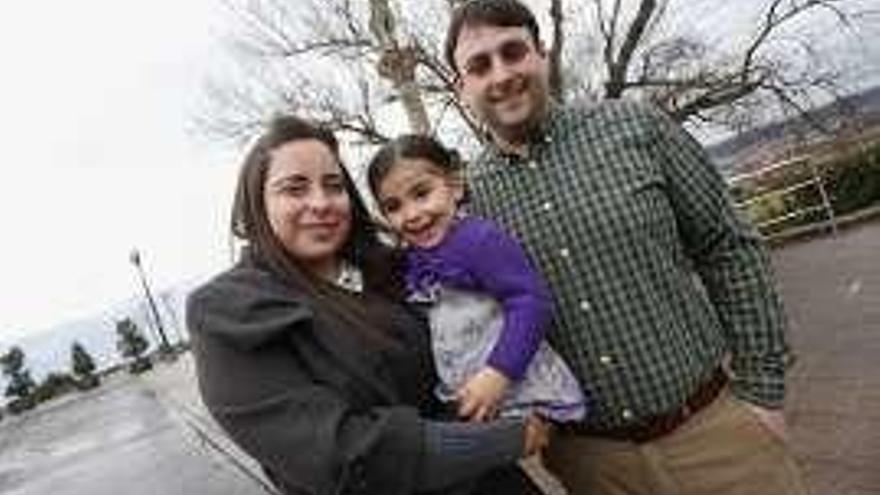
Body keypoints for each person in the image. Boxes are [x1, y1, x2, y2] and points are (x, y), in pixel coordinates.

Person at [443, 1, 807, 494]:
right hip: (591, 465)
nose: (501, 74)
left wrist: (762, 392)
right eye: (479, 65)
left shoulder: (636, 128)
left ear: (542, 55)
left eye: (513, 52)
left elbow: (729, 246)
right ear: (460, 86)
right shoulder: (469, 207)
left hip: (715, 437)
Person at [185, 115, 548, 495]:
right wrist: (503, 440)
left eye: (333, 186)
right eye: (295, 189)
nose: (321, 203)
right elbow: (341, 455)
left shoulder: (393, 267)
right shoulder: (230, 312)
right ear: (257, 202)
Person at [366, 134, 586, 423]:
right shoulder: (414, 258)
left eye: (421, 194)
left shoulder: (479, 239)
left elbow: (530, 301)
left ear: (455, 187)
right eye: (394, 206)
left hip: (513, 384)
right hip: (470, 390)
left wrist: (500, 373)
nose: (412, 214)